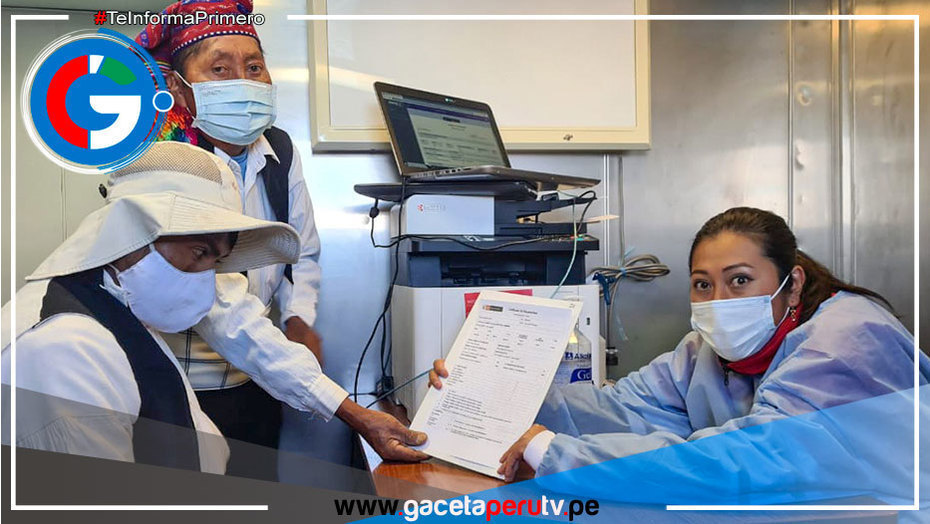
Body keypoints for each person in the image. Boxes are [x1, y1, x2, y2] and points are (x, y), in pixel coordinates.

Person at [430, 207, 928, 497]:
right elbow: (621, 409)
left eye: (739, 281)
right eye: (703, 284)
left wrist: (554, 453)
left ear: (792, 283)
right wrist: (490, 398)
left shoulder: (847, 339)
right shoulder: (704, 352)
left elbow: (747, 460)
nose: (719, 302)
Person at [133, 0, 336, 475]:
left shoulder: (280, 150)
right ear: (178, 88)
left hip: (257, 379)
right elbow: (220, 303)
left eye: (254, 67)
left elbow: (302, 249)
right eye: (220, 69)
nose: (242, 82)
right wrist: (337, 403)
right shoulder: (166, 159)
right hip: (177, 389)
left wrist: (298, 317)